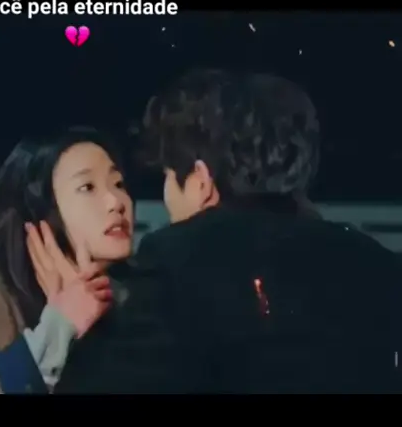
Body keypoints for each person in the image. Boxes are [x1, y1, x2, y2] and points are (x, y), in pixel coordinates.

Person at [22, 71, 402, 392]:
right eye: (87, 187)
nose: (116, 202)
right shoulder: (377, 266)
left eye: (168, 176)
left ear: (201, 181)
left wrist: (64, 331)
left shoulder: (173, 266)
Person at [0, 126, 134, 393]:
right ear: (38, 209)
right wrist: (59, 328)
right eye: (87, 187)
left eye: (118, 184)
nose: (116, 201)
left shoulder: (130, 298)